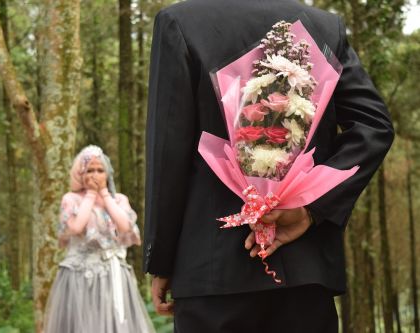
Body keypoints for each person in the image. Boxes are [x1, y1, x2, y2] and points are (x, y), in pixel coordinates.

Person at [143, 0, 394, 332]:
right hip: (305, 273)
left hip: (211, 270)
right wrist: (311, 208)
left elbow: (168, 154)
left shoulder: (180, 22)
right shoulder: (323, 26)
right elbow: (375, 126)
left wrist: (161, 259)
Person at [44, 145, 155, 333]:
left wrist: (104, 194)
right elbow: (77, 227)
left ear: (107, 173)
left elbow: (125, 226)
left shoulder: (118, 199)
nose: (95, 174)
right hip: (80, 278)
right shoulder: (71, 199)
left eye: (100, 170)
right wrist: (90, 195)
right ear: (80, 173)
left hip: (114, 276)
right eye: (90, 170)